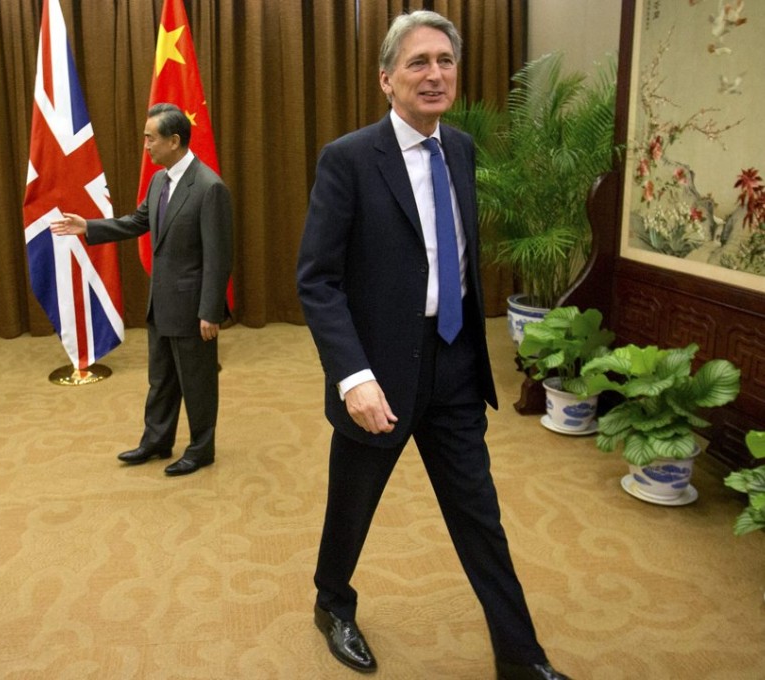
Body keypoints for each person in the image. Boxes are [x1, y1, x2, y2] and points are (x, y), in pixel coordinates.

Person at [296, 11, 572, 680]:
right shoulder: (350, 159)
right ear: (386, 79)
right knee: (352, 507)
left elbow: (456, 259)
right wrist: (352, 376)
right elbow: (318, 280)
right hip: (379, 371)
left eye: (445, 61)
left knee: (481, 517)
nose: (435, 74)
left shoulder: (462, 150)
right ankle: (332, 601)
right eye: (418, 62)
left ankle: (521, 657)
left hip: (451, 362)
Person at [50, 103, 232, 477]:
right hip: (161, 302)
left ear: (174, 140)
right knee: (161, 379)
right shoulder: (158, 180)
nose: (145, 145)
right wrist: (90, 227)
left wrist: (211, 311)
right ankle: (156, 441)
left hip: (193, 308)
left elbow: (219, 256)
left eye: (151, 138)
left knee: (197, 384)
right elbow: (138, 221)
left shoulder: (210, 187)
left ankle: (201, 449)